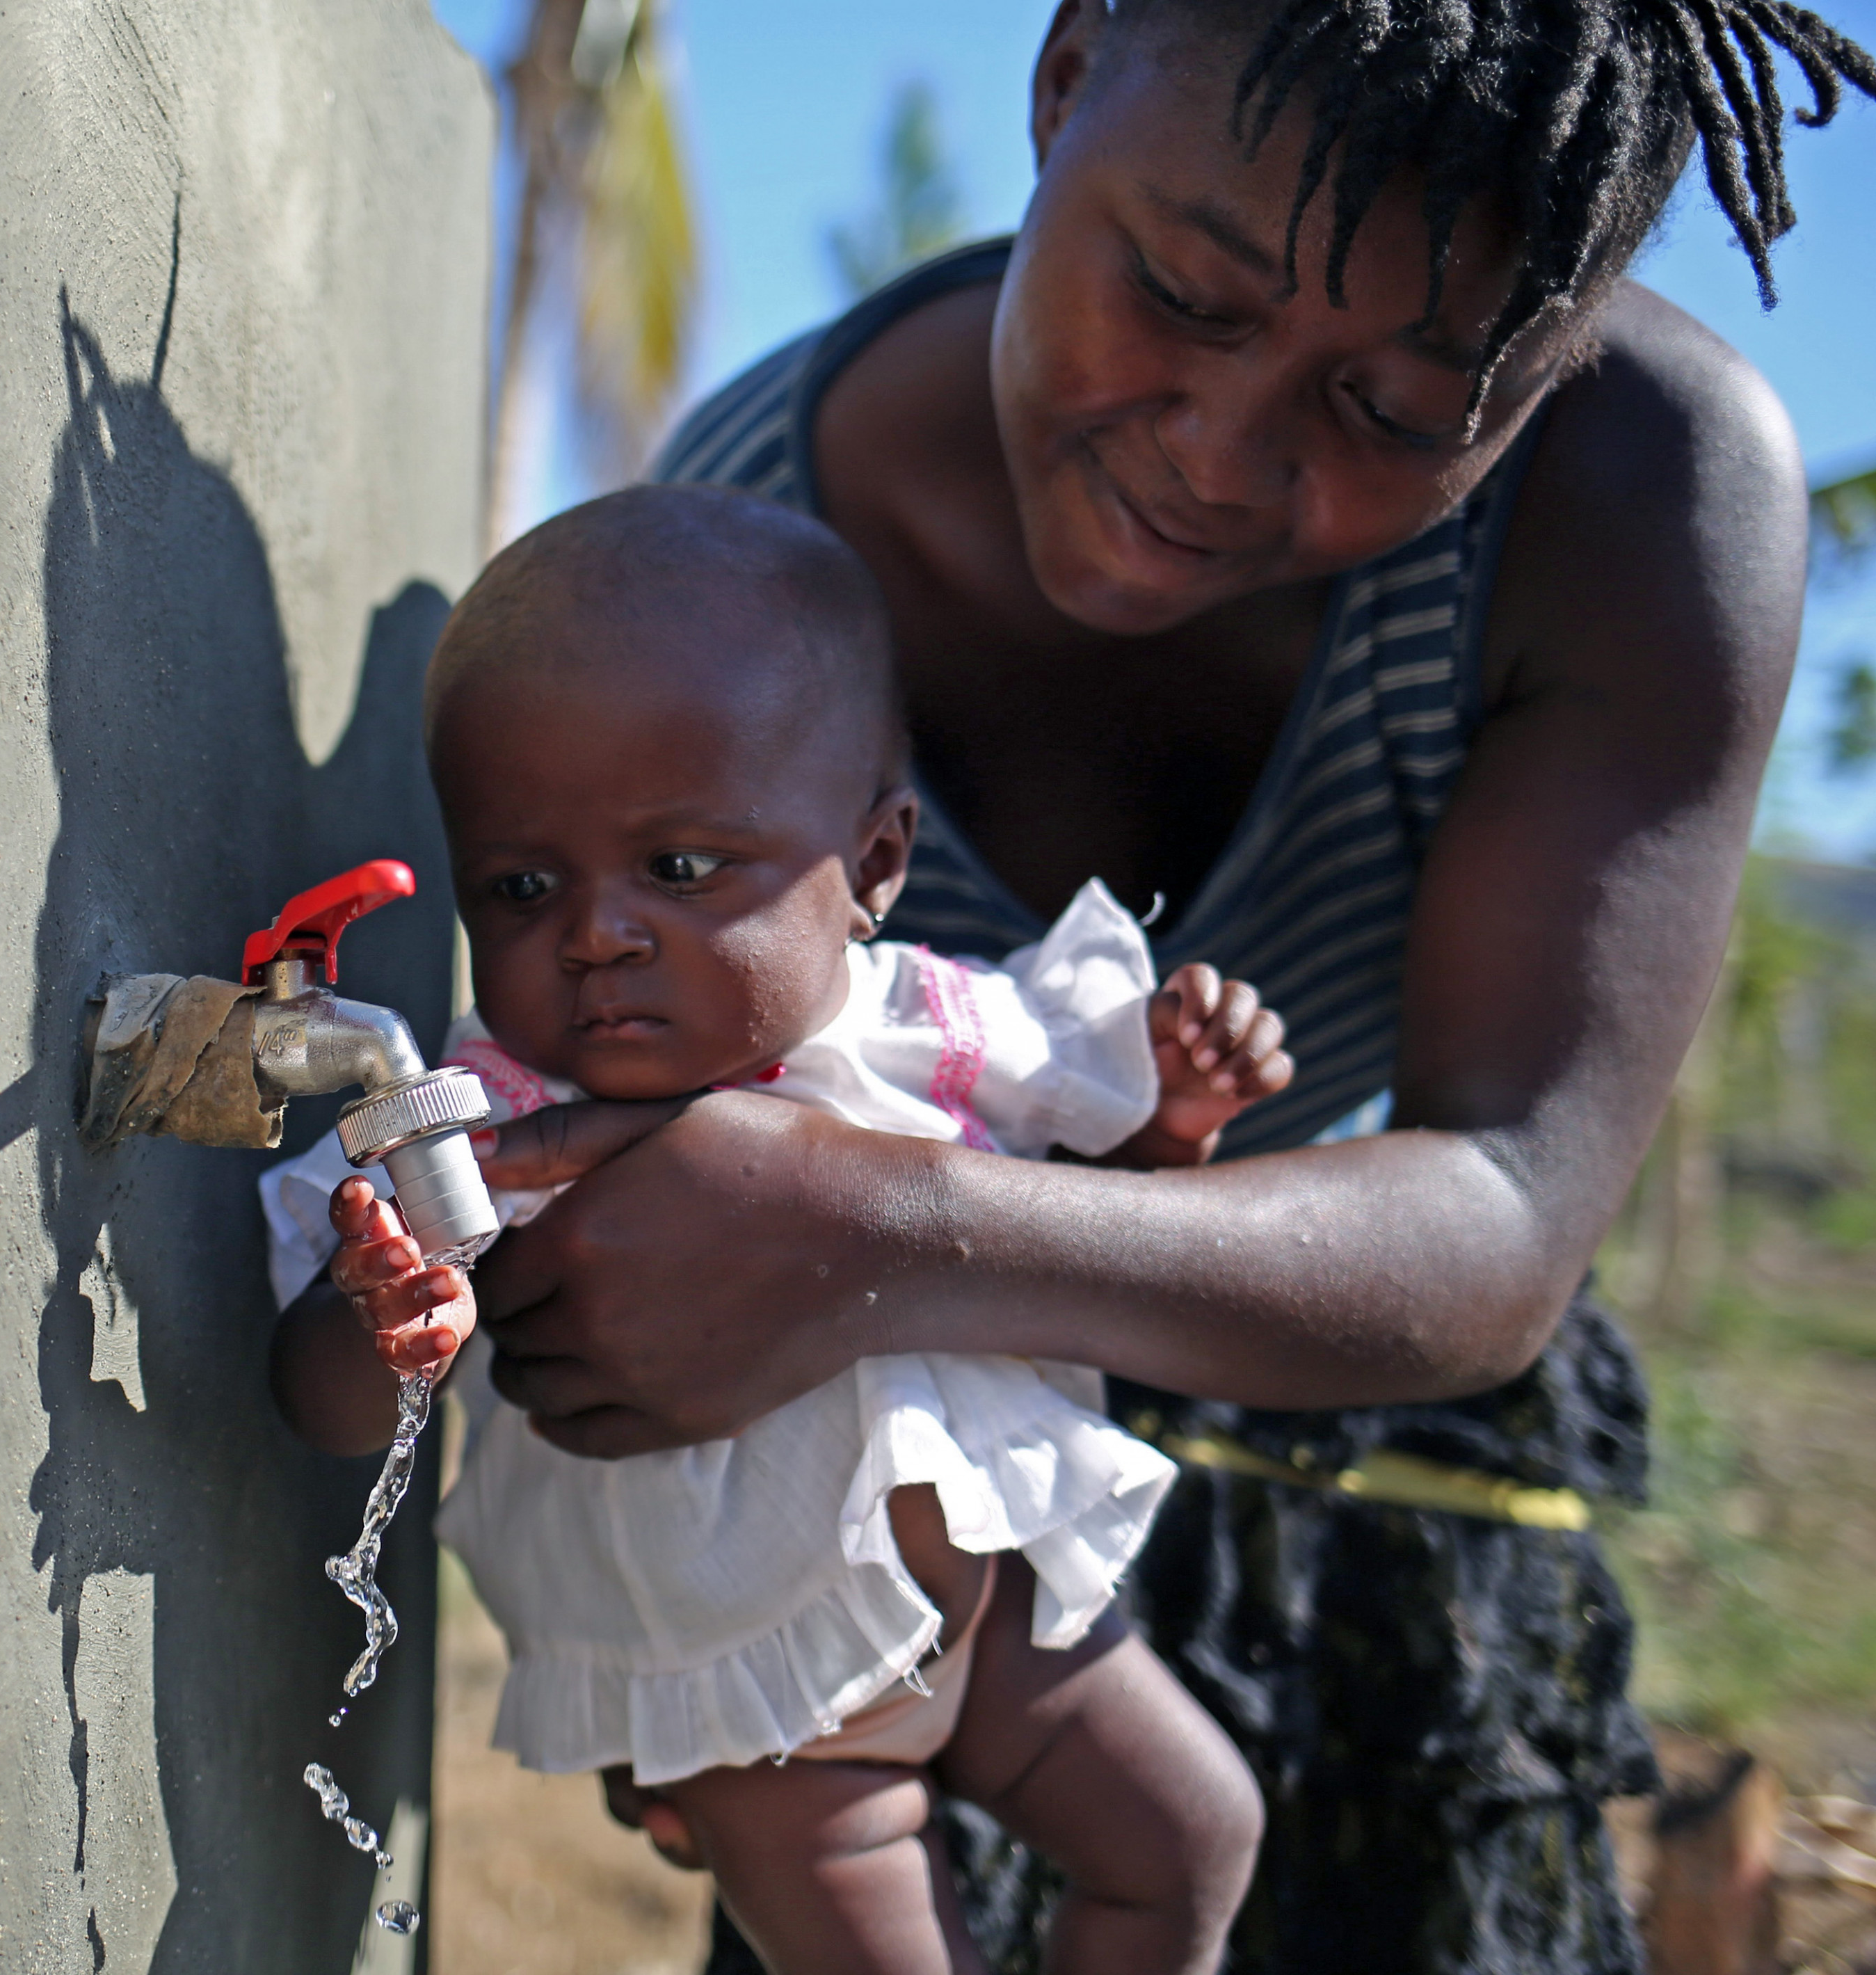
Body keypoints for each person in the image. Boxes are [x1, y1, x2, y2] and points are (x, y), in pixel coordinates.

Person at [450, 2, 1875, 1970]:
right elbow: (605, 1225)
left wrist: (875, 1224)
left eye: (1392, 410)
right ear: (1062, 80)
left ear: (1548, 367)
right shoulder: (741, 572)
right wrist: (671, 1613)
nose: (1221, 453)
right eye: (1184, 294)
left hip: (1357, 1435)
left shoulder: (1639, 500)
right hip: (848, 1511)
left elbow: (1500, 1224)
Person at [266, 487, 1303, 1974]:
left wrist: (1172, 1121)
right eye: (520, 883)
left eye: (681, 869)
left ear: (873, 867)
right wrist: (383, 1306)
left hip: (997, 1607)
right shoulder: (483, 1125)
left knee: (1195, 1838)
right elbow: (313, 1401)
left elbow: (1092, 1220)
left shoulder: (938, 1030)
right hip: (760, 1704)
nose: (597, 931)